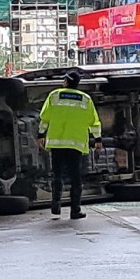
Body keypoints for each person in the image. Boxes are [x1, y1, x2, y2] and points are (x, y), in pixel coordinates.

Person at [37, 70, 102, 220]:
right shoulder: (86, 100)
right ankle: (75, 210)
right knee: (75, 178)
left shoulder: (54, 96)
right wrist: (97, 140)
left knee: (57, 175)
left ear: (66, 81)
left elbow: (44, 118)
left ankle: (56, 204)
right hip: (76, 144)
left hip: (57, 143)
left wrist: (41, 135)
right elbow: (94, 122)